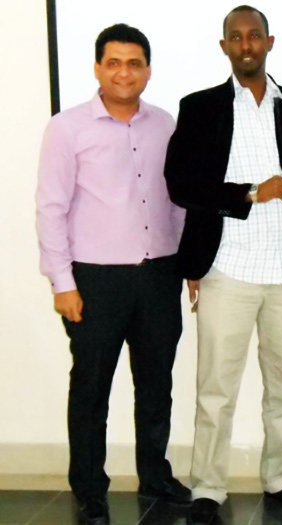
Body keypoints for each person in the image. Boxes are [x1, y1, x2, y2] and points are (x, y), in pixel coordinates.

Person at [163, 5, 282, 523]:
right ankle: (207, 488)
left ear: (270, 42)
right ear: (225, 46)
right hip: (226, 270)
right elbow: (181, 185)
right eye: (237, 37)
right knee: (214, 391)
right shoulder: (199, 107)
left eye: (255, 35)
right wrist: (252, 192)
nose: (247, 44)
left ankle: (280, 479)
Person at [36, 23, 190, 525]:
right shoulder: (67, 128)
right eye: (114, 62)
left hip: (158, 275)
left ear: (148, 69)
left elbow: (179, 203)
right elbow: (50, 208)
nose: (125, 72)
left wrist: (188, 266)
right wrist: (62, 282)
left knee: (156, 385)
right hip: (95, 281)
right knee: (91, 388)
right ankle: (89, 487)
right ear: (98, 68)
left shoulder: (165, 124)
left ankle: (155, 474)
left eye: (135, 63)